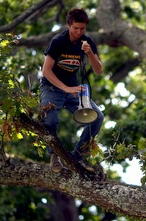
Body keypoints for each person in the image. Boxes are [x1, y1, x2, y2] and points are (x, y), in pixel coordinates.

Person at [40, 8, 104, 173]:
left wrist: (90, 53)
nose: (79, 32)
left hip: (73, 89)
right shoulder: (58, 41)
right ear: (69, 25)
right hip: (52, 87)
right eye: (75, 28)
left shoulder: (87, 41)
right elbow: (46, 70)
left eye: (82, 28)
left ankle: (77, 157)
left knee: (97, 117)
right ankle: (54, 156)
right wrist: (66, 88)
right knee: (50, 119)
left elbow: (99, 70)